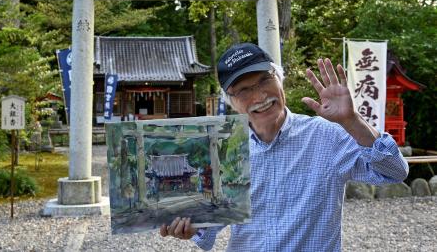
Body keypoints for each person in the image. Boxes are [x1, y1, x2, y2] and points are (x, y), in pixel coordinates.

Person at [160, 43, 408, 251]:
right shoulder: (223, 152)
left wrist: (352, 121)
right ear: (231, 102)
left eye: (264, 81)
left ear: (280, 80)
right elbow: (210, 225)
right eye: (244, 90)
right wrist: (190, 227)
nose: (258, 97)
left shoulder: (328, 136)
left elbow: (395, 172)